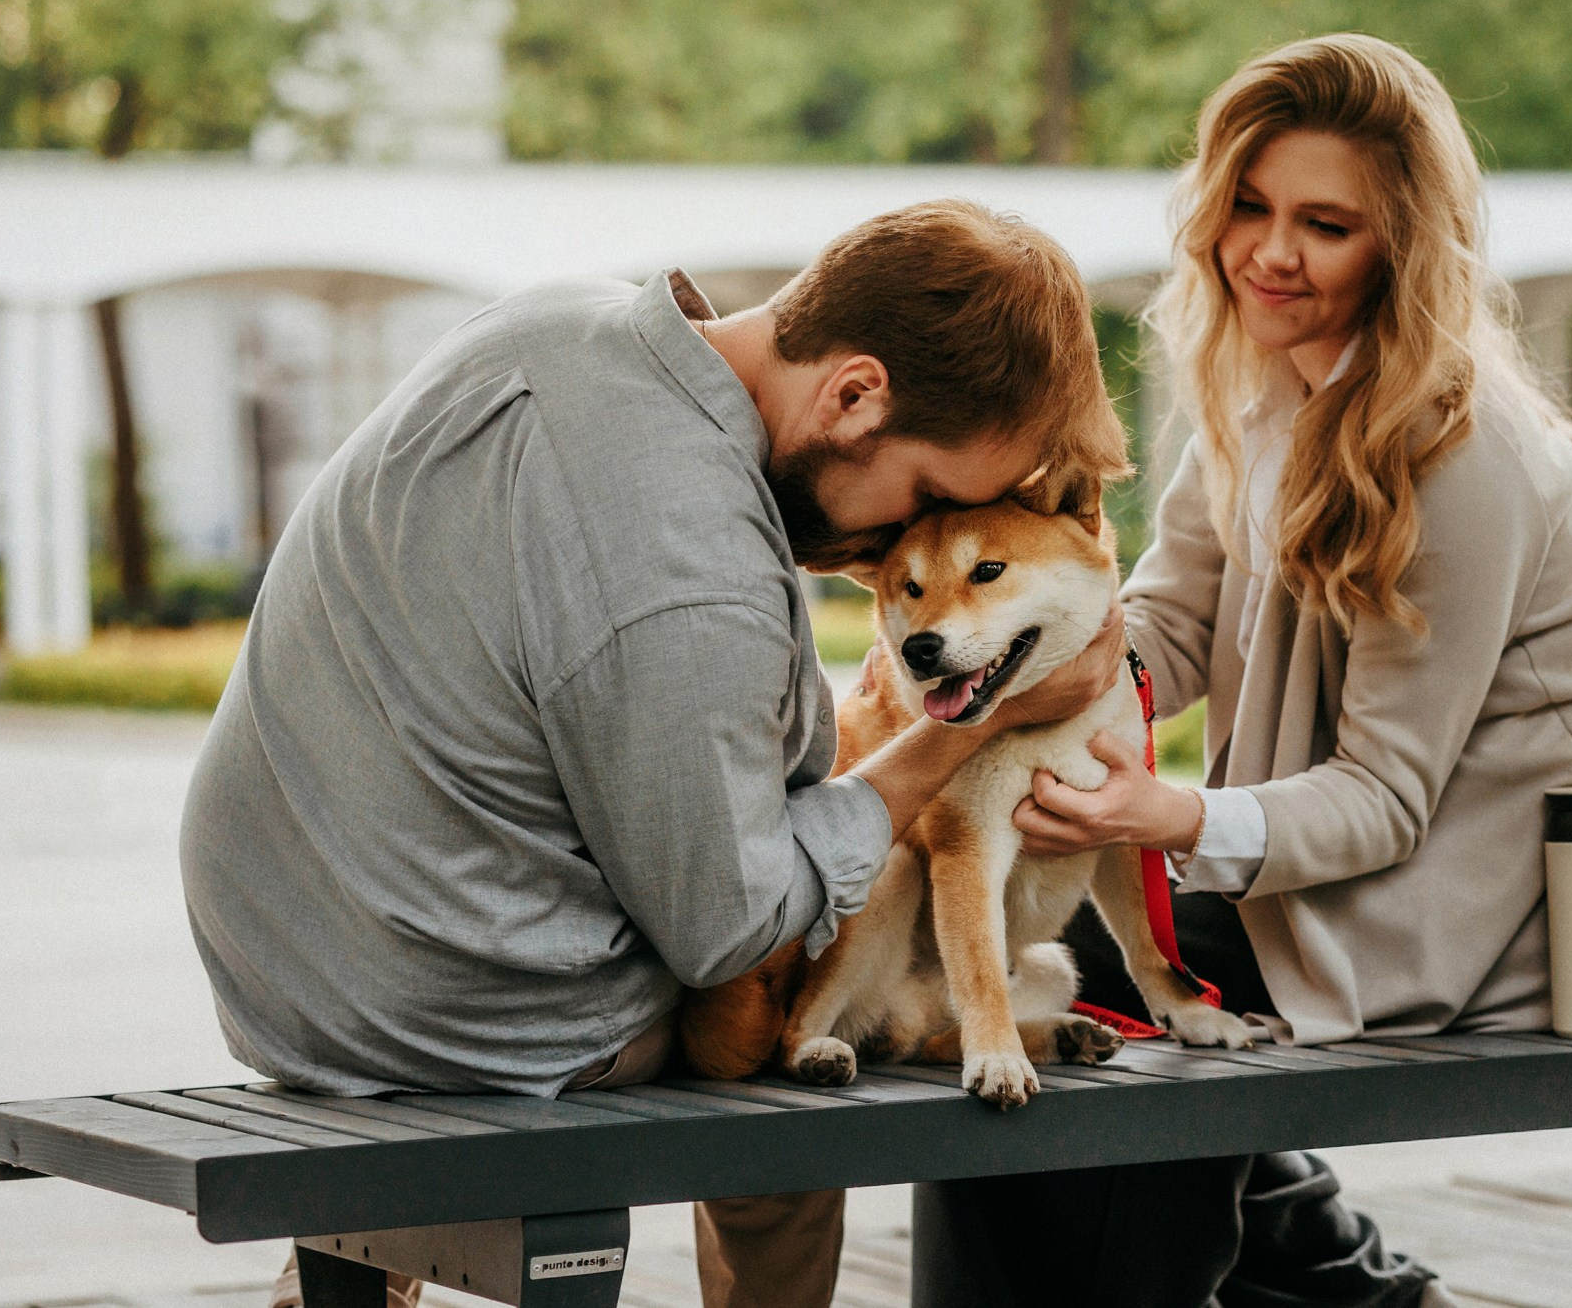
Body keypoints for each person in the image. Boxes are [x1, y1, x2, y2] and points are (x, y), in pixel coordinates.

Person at [176, 199, 1132, 1308]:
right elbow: (729, 922)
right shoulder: (692, 557)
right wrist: (972, 727)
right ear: (855, 394)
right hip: (452, 1005)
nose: (895, 545)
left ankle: (358, 1260)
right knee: (789, 1014)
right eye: (924, 495)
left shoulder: (557, 320)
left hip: (275, 947)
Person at [913, 34, 1572, 1308]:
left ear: (1401, 247)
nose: (1269, 253)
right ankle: (1362, 1297)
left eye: (1324, 226)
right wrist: (1015, 654)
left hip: (1505, 901)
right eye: (1248, 207)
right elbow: (1161, 631)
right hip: (1326, 863)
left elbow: (1385, 798)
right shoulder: (1255, 392)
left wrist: (1163, 816)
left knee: (1093, 987)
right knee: (1012, 961)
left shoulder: (1462, 456)